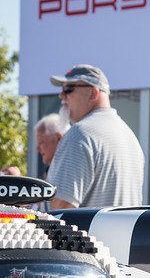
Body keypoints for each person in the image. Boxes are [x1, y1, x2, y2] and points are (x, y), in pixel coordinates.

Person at [47, 64, 144, 209]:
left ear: (93, 93)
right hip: (123, 232)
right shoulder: (130, 137)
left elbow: (62, 209)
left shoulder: (80, 134)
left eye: (68, 89)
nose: (61, 96)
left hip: (89, 232)